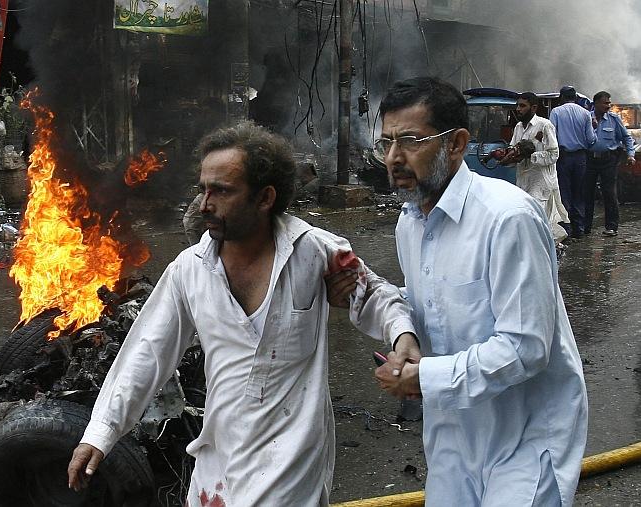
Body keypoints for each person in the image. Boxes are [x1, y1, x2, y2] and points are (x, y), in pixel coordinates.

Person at [67, 122, 417, 506]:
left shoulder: (313, 252)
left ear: (265, 197)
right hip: (218, 463)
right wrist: (100, 433)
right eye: (202, 190)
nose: (204, 205)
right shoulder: (190, 270)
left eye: (221, 191)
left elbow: (376, 296)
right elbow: (147, 352)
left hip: (293, 464)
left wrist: (403, 338)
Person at [330, 77, 588, 506]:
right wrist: (382, 312)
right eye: (386, 143)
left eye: (410, 141)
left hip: (524, 437)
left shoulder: (507, 219)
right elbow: (428, 303)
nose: (394, 158)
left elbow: (526, 348)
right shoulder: (410, 222)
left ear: (456, 144)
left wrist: (423, 377)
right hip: (452, 433)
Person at [501, 91, 569, 243]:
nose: (518, 109)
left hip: (540, 183)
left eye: (522, 106)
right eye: (517, 105)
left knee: (538, 224)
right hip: (523, 182)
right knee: (526, 222)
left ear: (533, 108)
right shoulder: (518, 127)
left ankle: (546, 256)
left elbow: (554, 154)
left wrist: (530, 156)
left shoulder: (545, 125)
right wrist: (509, 156)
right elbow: (514, 150)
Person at [585, 90, 635, 237]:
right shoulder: (586, 118)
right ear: (595, 104)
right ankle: (585, 227)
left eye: (609, 102)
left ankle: (611, 227)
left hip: (609, 160)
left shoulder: (614, 119)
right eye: (605, 103)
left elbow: (626, 138)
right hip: (589, 160)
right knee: (587, 193)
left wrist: (631, 155)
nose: (608, 105)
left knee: (609, 193)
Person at [549, 85, 597, 238]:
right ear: (575, 98)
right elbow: (591, 140)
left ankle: (566, 228)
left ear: (561, 98)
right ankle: (579, 228)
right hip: (581, 158)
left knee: (564, 192)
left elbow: (552, 136)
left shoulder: (556, 112)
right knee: (579, 193)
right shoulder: (585, 113)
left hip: (562, 157)